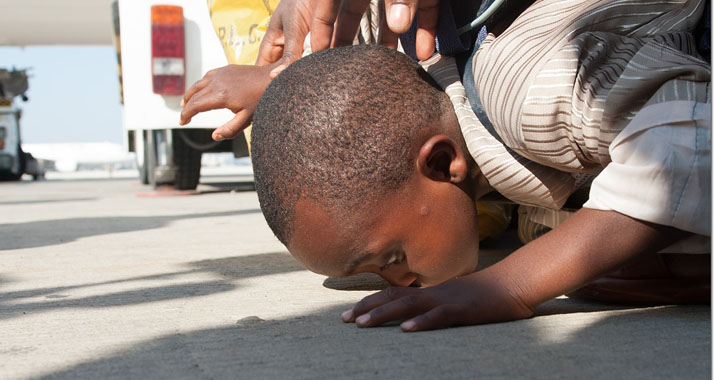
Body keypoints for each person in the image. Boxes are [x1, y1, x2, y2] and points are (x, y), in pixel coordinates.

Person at [250, 0, 710, 332]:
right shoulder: (431, 101)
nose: (402, 281)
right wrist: (265, 81)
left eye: (392, 258)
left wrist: (511, 284)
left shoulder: (525, 99)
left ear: (443, 161)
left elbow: (688, 147)